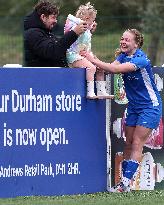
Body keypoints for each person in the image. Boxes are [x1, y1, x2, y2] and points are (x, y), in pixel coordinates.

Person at [81, 28, 162, 192]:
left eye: (127, 40)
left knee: (137, 143)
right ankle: (124, 183)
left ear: (136, 43)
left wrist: (92, 59)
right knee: (128, 143)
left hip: (150, 107)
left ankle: (125, 183)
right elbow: (110, 66)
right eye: (122, 39)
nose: (123, 42)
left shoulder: (141, 60)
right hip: (133, 107)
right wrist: (92, 59)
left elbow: (115, 70)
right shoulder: (123, 56)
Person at [64, 2, 112, 99]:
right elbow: (77, 33)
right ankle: (90, 92)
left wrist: (90, 29)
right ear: (86, 19)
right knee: (92, 68)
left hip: (84, 54)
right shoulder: (77, 27)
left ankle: (101, 91)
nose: (93, 22)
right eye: (92, 20)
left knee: (100, 67)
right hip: (74, 55)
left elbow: (85, 39)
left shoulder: (87, 28)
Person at [24, 0, 88, 67]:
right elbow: (52, 51)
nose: (55, 21)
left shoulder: (46, 34)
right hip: (45, 76)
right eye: (53, 17)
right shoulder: (33, 34)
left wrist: (86, 33)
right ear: (43, 17)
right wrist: (74, 33)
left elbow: (60, 47)